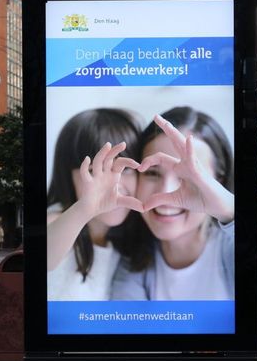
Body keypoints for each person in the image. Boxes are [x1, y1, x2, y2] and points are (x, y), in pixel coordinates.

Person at [112, 107, 235, 300]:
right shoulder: (130, 260)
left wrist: (229, 211)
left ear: (219, 182)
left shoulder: (230, 248)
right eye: (152, 173)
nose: (166, 191)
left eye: (187, 176)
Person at [47, 109, 142, 300]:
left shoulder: (123, 241)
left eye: (126, 169)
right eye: (95, 170)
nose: (114, 184)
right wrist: (85, 208)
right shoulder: (58, 222)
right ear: (67, 175)